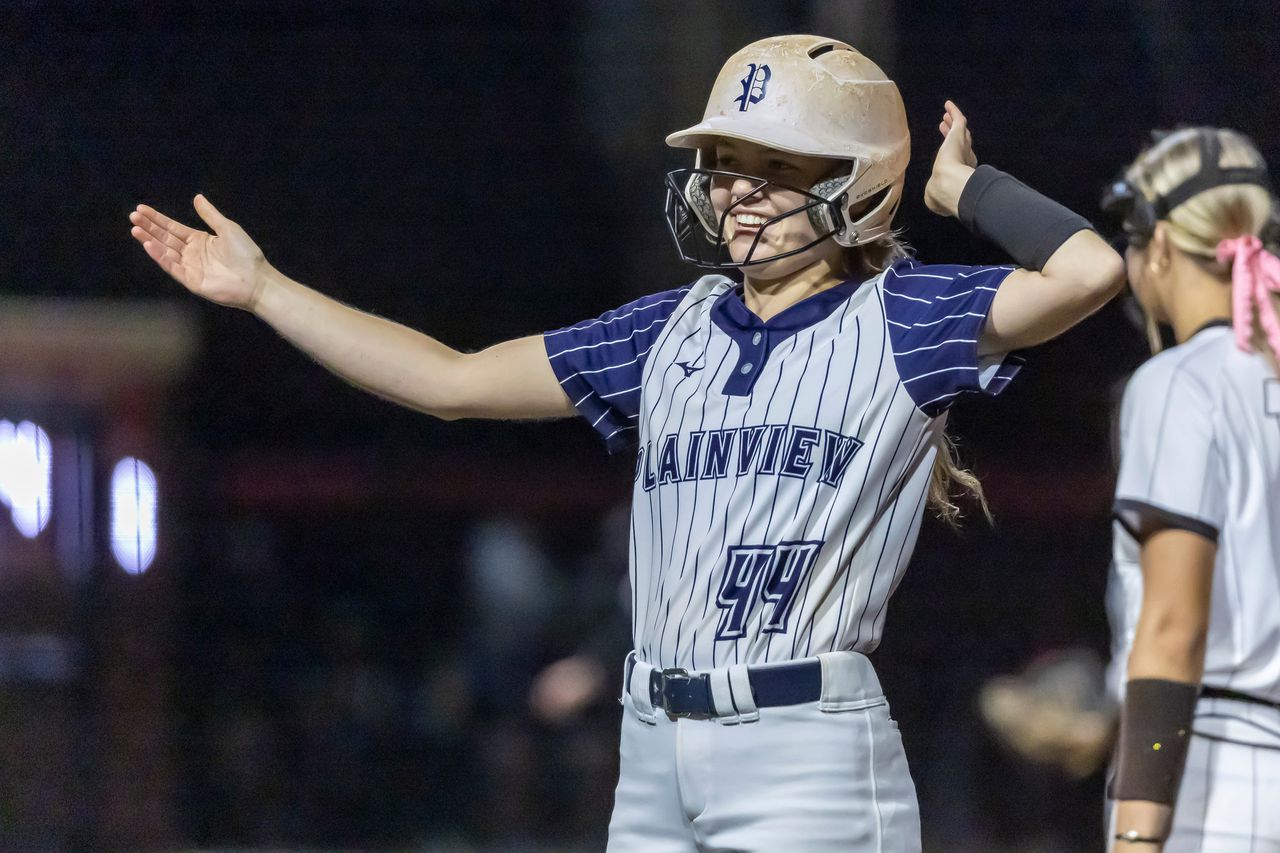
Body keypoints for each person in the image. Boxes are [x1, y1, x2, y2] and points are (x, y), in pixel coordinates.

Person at [129, 34, 1123, 853]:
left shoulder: (902, 318)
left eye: (774, 166)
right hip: (653, 739)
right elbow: (448, 380)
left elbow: (1088, 271)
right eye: (727, 162)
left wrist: (966, 190)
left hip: (801, 744)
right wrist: (264, 291)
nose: (736, 189)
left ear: (857, 182)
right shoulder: (668, 329)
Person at [1101, 127, 1280, 852]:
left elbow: (1174, 631)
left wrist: (1138, 836)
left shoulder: (1179, 381)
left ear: (1164, 245)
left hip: (1212, 780)